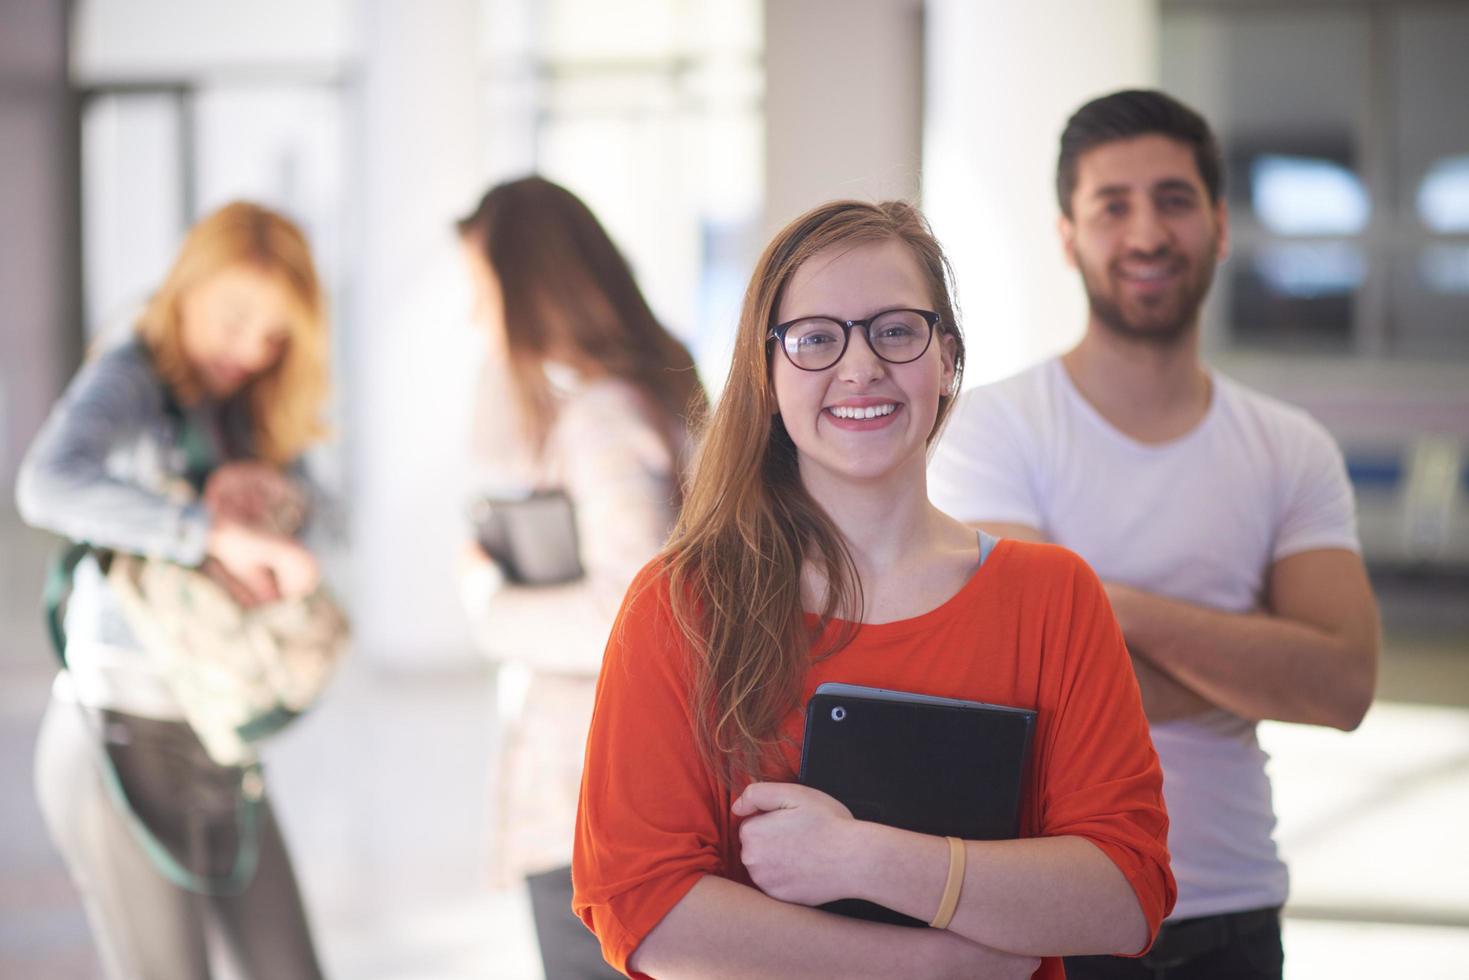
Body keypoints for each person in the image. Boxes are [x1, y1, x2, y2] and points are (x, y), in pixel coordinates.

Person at [573, 199, 1176, 979]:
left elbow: (1124, 896)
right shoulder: (680, 604)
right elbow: (642, 908)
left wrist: (862, 858)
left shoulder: (1052, 596)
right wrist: (931, 966)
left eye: (894, 330)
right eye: (816, 339)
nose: (859, 368)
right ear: (767, 371)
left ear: (947, 359)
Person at [929, 89, 1381, 979]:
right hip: (1045, 906)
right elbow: (1017, 684)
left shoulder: (1288, 448)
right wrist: (1251, 667)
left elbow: (1341, 683)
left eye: (1173, 200)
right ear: (1067, 235)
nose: (1145, 235)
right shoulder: (993, 429)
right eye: (1112, 205)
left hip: (1231, 908)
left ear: (1216, 224)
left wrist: (1102, 601)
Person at [16, 201, 332, 979]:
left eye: (273, 332)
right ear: (185, 288)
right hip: (116, 733)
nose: (252, 346)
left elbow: (316, 511)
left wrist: (272, 501)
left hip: (216, 733)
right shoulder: (131, 374)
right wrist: (205, 528)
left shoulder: (246, 398)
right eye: (233, 318)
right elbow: (44, 485)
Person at [454, 176, 706, 979]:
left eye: (482, 293)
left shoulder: (601, 420)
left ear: (527, 291)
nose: (475, 318)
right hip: (613, 791)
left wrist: (490, 603)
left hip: (589, 799)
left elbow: (626, 613)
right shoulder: (632, 402)